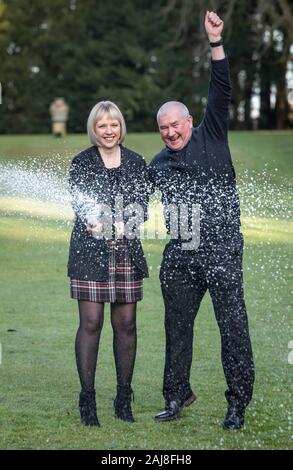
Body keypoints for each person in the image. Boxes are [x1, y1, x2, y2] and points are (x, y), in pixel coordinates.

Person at [148, 11, 254, 430]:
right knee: (176, 329)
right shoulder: (158, 164)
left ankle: (237, 403)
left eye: (175, 124)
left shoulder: (212, 132)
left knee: (232, 327)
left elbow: (221, 87)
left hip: (223, 249)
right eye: (163, 128)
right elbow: (136, 202)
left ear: (189, 121)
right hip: (180, 256)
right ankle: (176, 396)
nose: (170, 133)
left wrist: (215, 42)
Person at [67, 101, 149, 426]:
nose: (109, 130)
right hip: (90, 253)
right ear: (94, 129)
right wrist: (93, 220)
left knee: (126, 326)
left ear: (120, 127)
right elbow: (79, 200)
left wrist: (127, 222)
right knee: (91, 324)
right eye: (102, 125)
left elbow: (141, 204)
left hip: (126, 253)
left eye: (113, 124)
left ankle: (123, 397)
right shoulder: (81, 162)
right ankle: (88, 399)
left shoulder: (136, 162)